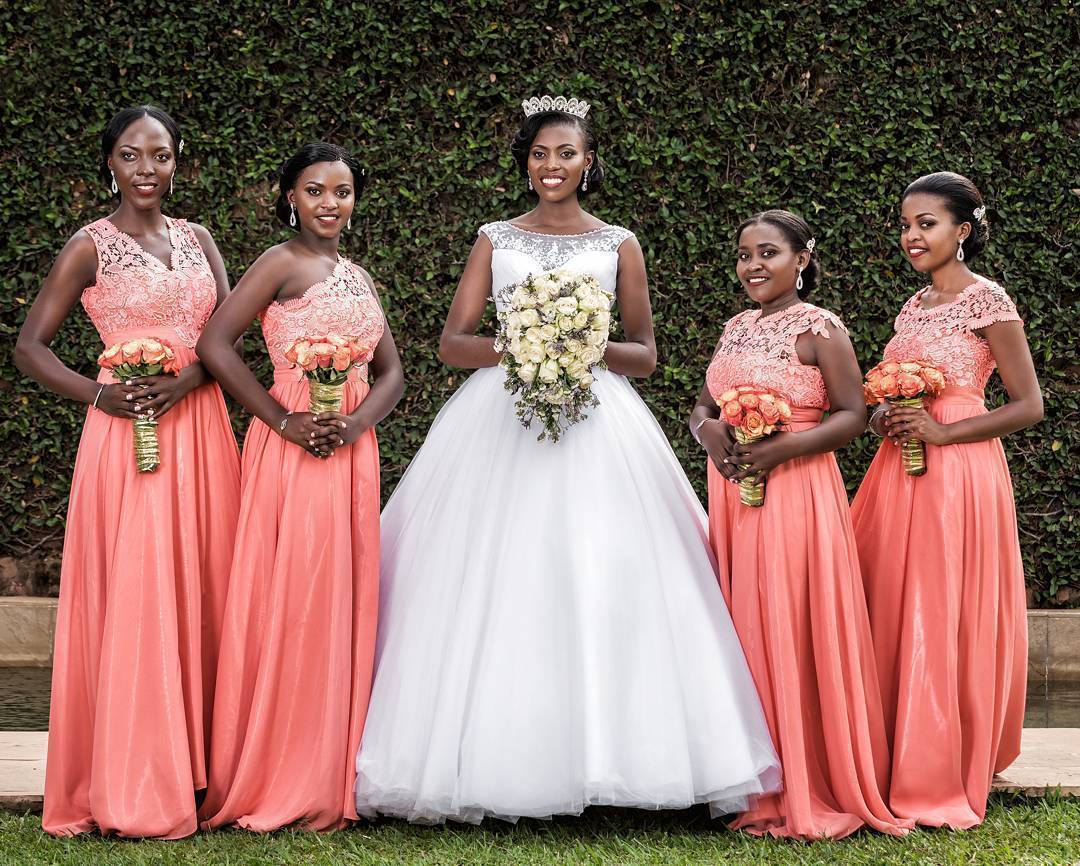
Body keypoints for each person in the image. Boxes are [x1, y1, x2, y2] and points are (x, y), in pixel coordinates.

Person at [355, 96, 779, 824]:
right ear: (525, 161)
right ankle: (489, 760)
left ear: (590, 162)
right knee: (493, 576)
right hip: (500, 419)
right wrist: (523, 344)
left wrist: (579, 346)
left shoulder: (620, 242)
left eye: (567, 154)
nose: (552, 167)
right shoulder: (495, 237)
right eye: (540, 153)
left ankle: (618, 761)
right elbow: (453, 342)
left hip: (599, 422)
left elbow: (643, 355)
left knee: (605, 571)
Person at [15, 105, 240, 838]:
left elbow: (225, 341)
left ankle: (206, 775)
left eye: (162, 155)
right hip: (128, 438)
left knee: (205, 588)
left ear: (179, 161)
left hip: (202, 433)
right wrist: (99, 395)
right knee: (142, 594)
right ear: (108, 162)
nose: (148, 169)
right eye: (132, 156)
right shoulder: (89, 247)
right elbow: (31, 348)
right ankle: (133, 780)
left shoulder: (200, 238)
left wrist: (192, 382)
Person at [196, 142, 404, 832]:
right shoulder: (279, 263)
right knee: (293, 593)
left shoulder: (360, 275)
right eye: (315, 191)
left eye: (342, 192)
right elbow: (216, 344)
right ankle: (274, 767)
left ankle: (328, 767)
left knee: (340, 594)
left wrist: (353, 425)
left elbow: (393, 375)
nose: (329, 204)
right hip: (288, 449)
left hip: (350, 451)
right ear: (290, 196)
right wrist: (282, 419)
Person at [691, 209, 910, 839]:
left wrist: (779, 449)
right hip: (733, 490)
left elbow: (851, 414)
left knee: (791, 616)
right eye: (743, 255)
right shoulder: (734, 329)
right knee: (742, 622)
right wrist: (710, 435)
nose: (753, 266)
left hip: (798, 491)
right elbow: (703, 405)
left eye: (768, 253)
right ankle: (752, 779)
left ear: (802, 259)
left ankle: (810, 778)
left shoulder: (821, 329)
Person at [852, 172, 1043, 828]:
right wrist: (884, 416)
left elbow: (1029, 405)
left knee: (940, 604)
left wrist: (943, 430)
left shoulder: (988, 301)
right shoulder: (913, 306)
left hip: (959, 473)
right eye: (905, 224)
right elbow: (889, 390)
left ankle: (938, 760)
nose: (911, 236)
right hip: (897, 471)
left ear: (962, 230)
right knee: (889, 596)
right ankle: (884, 751)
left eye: (926, 224)